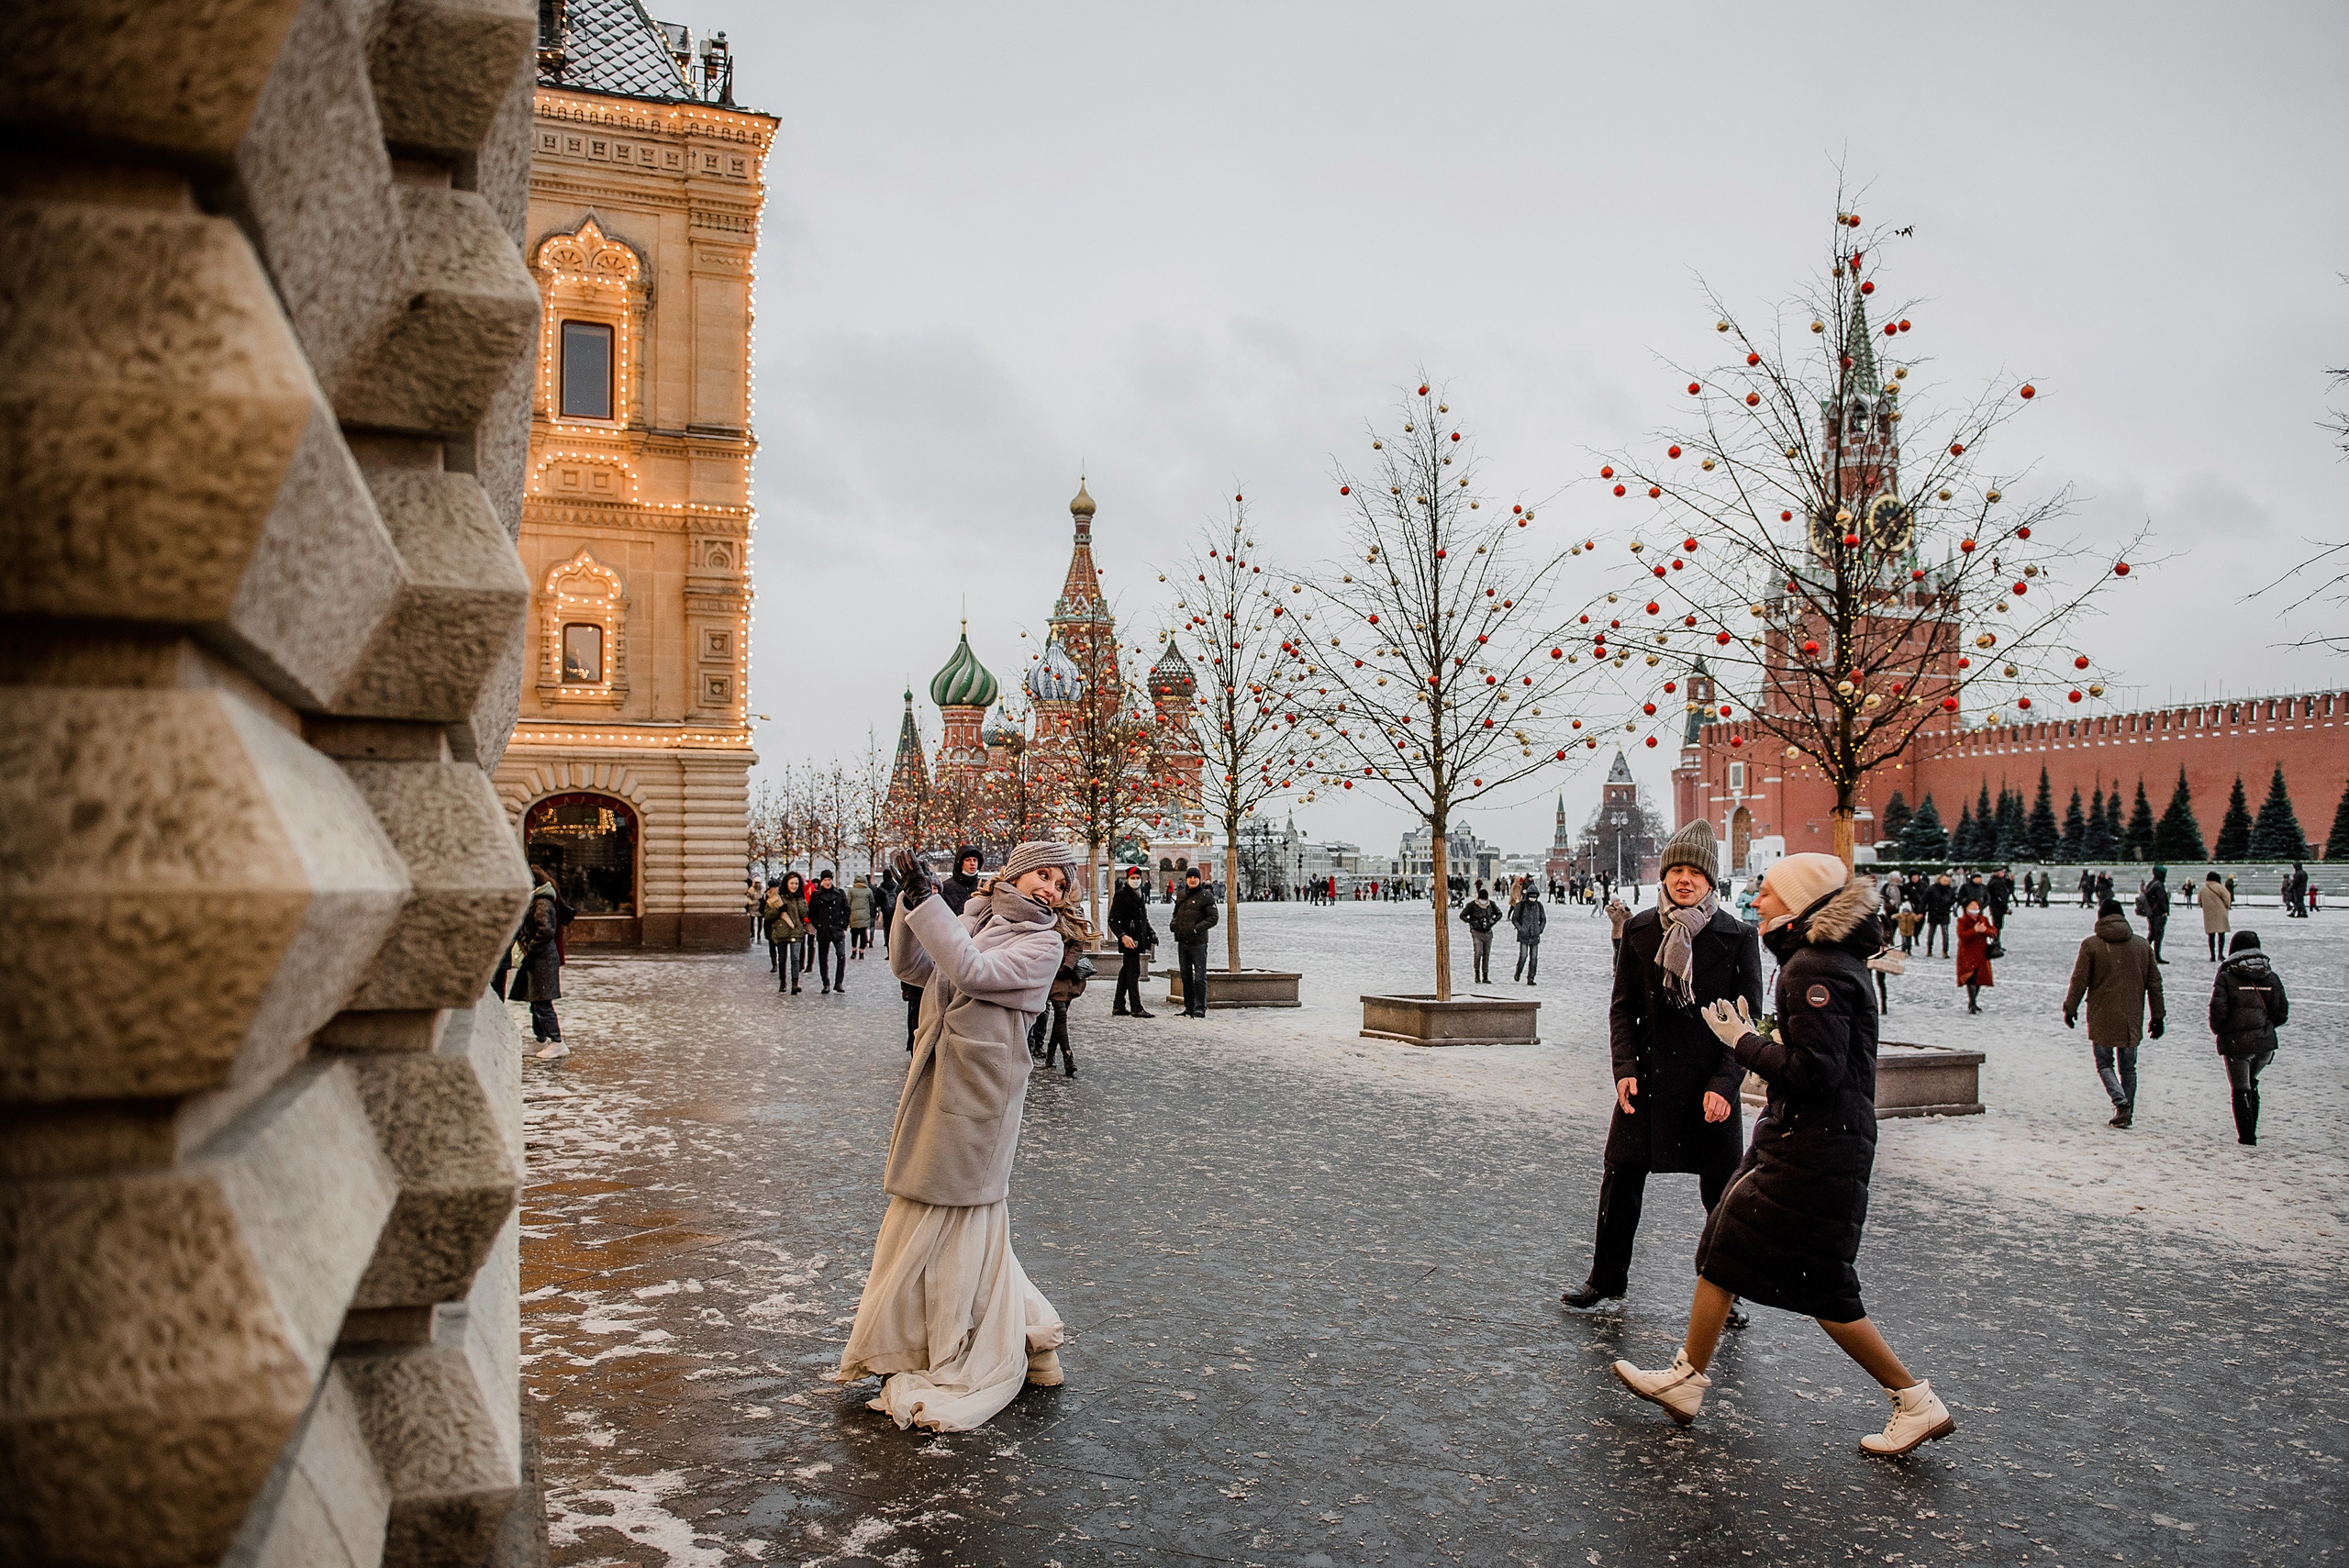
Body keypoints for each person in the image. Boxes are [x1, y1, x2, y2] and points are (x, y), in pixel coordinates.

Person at [1612, 852, 1955, 1459]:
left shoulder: (1812, 965)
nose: (1759, 901)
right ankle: (1687, 1378)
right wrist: (1766, 1033)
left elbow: (1815, 1072)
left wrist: (1740, 1041)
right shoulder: (1818, 960)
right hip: (1809, 1138)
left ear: (1799, 904)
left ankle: (1914, 1399)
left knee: (1823, 1285)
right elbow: (1824, 1051)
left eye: (1769, 893)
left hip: (1818, 1144)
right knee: (1724, 1241)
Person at [837, 840, 1076, 1431]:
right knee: (951, 1215)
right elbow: (913, 967)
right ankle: (1027, 1334)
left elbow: (972, 971)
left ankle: (949, 1344)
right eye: (1041, 876)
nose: (1050, 890)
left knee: (955, 1214)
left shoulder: (1043, 943)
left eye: (1060, 884)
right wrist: (909, 904)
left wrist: (927, 902)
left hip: (980, 1097)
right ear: (1014, 877)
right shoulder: (976, 916)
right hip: (942, 1079)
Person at [1563, 820, 1761, 1317]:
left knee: (1721, 1196)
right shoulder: (1640, 928)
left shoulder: (1737, 937)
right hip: (1646, 1084)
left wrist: (1724, 1084)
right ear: (1664, 876)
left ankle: (1727, 1293)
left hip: (1708, 1087)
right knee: (1621, 1178)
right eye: (1676, 869)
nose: (1684, 879)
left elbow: (1746, 1022)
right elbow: (1622, 1008)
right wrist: (1623, 1068)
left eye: (1695, 871)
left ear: (1711, 880)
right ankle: (1605, 1280)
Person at [2064, 899, 2165, 1129]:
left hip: (2102, 1013)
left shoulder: (2091, 945)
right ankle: (2127, 1109)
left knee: (2104, 1063)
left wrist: (2071, 1008)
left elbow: (2079, 981)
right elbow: (2155, 984)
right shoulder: (2141, 946)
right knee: (2128, 1068)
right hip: (2131, 1014)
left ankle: (2121, 1104)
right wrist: (2158, 1016)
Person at [2210, 931, 2288, 1145]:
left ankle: (2247, 1137)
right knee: (2251, 1083)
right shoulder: (2271, 976)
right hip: (2264, 1044)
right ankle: (2251, 1129)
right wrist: (2263, 1027)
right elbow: (2282, 1013)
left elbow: (2218, 1012)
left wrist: (2223, 1030)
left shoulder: (2226, 976)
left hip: (2237, 1044)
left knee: (2240, 1088)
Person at [903, 847, 983, 1051]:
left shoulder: (984, 887)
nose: (972, 864)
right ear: (960, 862)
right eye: (968, 860)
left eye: (975, 860)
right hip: (945, 944)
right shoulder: (948, 887)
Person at [515, 862, 568, 1060]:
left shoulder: (542, 902)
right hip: (538, 959)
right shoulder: (538, 900)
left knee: (542, 1002)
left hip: (542, 959)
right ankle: (541, 1039)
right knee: (536, 1001)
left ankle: (557, 1042)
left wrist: (530, 946)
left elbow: (546, 930)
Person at [1041, 901, 1097, 1079]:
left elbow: (1078, 944)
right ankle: (1068, 1056)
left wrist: (1067, 966)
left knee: (1061, 1015)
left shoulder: (1073, 913)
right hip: (1053, 973)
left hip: (1069, 974)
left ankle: (1051, 1052)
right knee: (1060, 1012)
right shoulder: (1043, 913)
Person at [1108, 865, 1158, 1018]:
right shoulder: (1122, 895)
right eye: (1133, 878)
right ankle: (1136, 1007)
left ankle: (1119, 1005)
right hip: (1129, 940)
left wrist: (1151, 932)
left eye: (1138, 878)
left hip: (1138, 939)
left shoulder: (1140, 894)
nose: (1136, 880)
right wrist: (1123, 935)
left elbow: (1143, 918)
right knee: (1133, 972)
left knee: (1126, 972)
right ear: (1127, 879)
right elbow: (1113, 920)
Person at [1170, 865, 1218, 1018]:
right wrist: (1174, 925)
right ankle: (1189, 1006)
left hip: (1198, 942)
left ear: (1199, 879)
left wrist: (1197, 928)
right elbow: (1176, 914)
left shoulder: (1206, 897)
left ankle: (1200, 1007)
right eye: (1190, 877)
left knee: (1199, 976)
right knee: (1185, 976)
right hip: (1183, 941)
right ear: (1186, 879)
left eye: (1195, 877)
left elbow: (1213, 918)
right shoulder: (1182, 895)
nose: (1192, 880)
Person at [810, 870, 852, 994]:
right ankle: (826, 983)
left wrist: (844, 923)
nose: (827, 882)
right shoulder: (816, 896)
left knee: (841, 955)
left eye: (829, 880)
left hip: (837, 930)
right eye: (825, 880)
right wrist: (817, 924)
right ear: (822, 881)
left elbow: (847, 909)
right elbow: (812, 912)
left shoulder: (839, 894)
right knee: (823, 958)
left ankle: (839, 982)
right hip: (823, 930)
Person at [1954, 898, 1996, 1014]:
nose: (1975, 908)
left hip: (1981, 953)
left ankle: (1973, 1001)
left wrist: (1985, 930)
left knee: (1979, 978)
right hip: (1967, 953)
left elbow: (1993, 932)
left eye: (1976, 906)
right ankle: (1972, 1003)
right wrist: (1975, 930)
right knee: (1970, 978)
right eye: (1972, 906)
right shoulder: (1962, 921)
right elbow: (1962, 936)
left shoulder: (1983, 919)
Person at [770, 871, 808, 995]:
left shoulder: (799, 897)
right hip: (782, 931)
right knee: (782, 958)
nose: (794, 886)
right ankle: (782, 982)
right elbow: (768, 915)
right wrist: (779, 910)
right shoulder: (778, 897)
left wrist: (802, 902)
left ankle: (795, 983)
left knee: (795, 958)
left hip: (796, 931)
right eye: (792, 883)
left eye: (796, 884)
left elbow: (804, 913)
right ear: (786, 884)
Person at [1460, 883, 1503, 985]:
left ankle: (1485, 975)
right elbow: (1462, 915)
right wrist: (1471, 922)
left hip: (1488, 932)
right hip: (1476, 932)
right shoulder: (1472, 905)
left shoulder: (1491, 904)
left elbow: (1499, 914)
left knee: (1486, 954)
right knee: (1478, 952)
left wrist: (1492, 922)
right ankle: (1477, 974)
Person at [1510, 876, 1547, 984]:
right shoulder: (1521, 905)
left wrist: (1540, 929)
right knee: (1523, 956)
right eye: (1531, 897)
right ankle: (1518, 971)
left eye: (1534, 897)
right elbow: (1514, 918)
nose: (1532, 899)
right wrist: (1520, 929)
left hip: (1535, 935)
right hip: (1524, 935)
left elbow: (1543, 919)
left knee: (1534, 958)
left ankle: (1531, 978)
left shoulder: (1539, 906)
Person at [2198, 871, 2233, 961]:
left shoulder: (2203, 888)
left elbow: (2199, 901)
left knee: (2211, 935)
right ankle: (2220, 954)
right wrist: (2226, 907)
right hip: (2220, 913)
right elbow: (2227, 898)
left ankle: (2212, 955)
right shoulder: (2220, 887)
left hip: (2208, 914)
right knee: (2221, 934)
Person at [2139, 867, 2171, 963]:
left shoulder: (2151, 884)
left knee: (2152, 934)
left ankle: (2143, 952)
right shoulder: (2159, 886)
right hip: (2158, 913)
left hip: (2152, 913)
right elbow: (2161, 900)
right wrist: (2165, 910)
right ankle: (2156, 956)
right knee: (2158, 935)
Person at [1922, 873, 1955, 957]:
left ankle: (1945, 951)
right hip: (1933, 913)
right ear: (1940, 880)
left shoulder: (1950, 890)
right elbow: (1924, 900)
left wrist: (1949, 904)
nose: (1946, 882)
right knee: (1931, 932)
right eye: (1944, 880)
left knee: (1945, 933)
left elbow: (1954, 899)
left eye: (1948, 881)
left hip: (1945, 913)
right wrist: (1922, 910)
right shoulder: (1932, 889)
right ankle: (1929, 949)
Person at [850, 873, 875, 960]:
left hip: (854, 915)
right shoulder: (868, 891)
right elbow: (872, 902)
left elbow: (847, 902)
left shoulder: (851, 891)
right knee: (863, 934)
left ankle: (854, 950)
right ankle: (861, 951)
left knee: (854, 934)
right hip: (864, 915)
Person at [1606, 896, 1631, 965]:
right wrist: (1619, 910)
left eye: (1618, 901)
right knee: (1618, 953)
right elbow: (1614, 919)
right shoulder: (1610, 910)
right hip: (1617, 935)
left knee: (1626, 953)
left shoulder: (1623, 909)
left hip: (1625, 934)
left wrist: (1625, 910)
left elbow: (1630, 917)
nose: (1618, 903)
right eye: (1616, 901)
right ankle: (1616, 969)